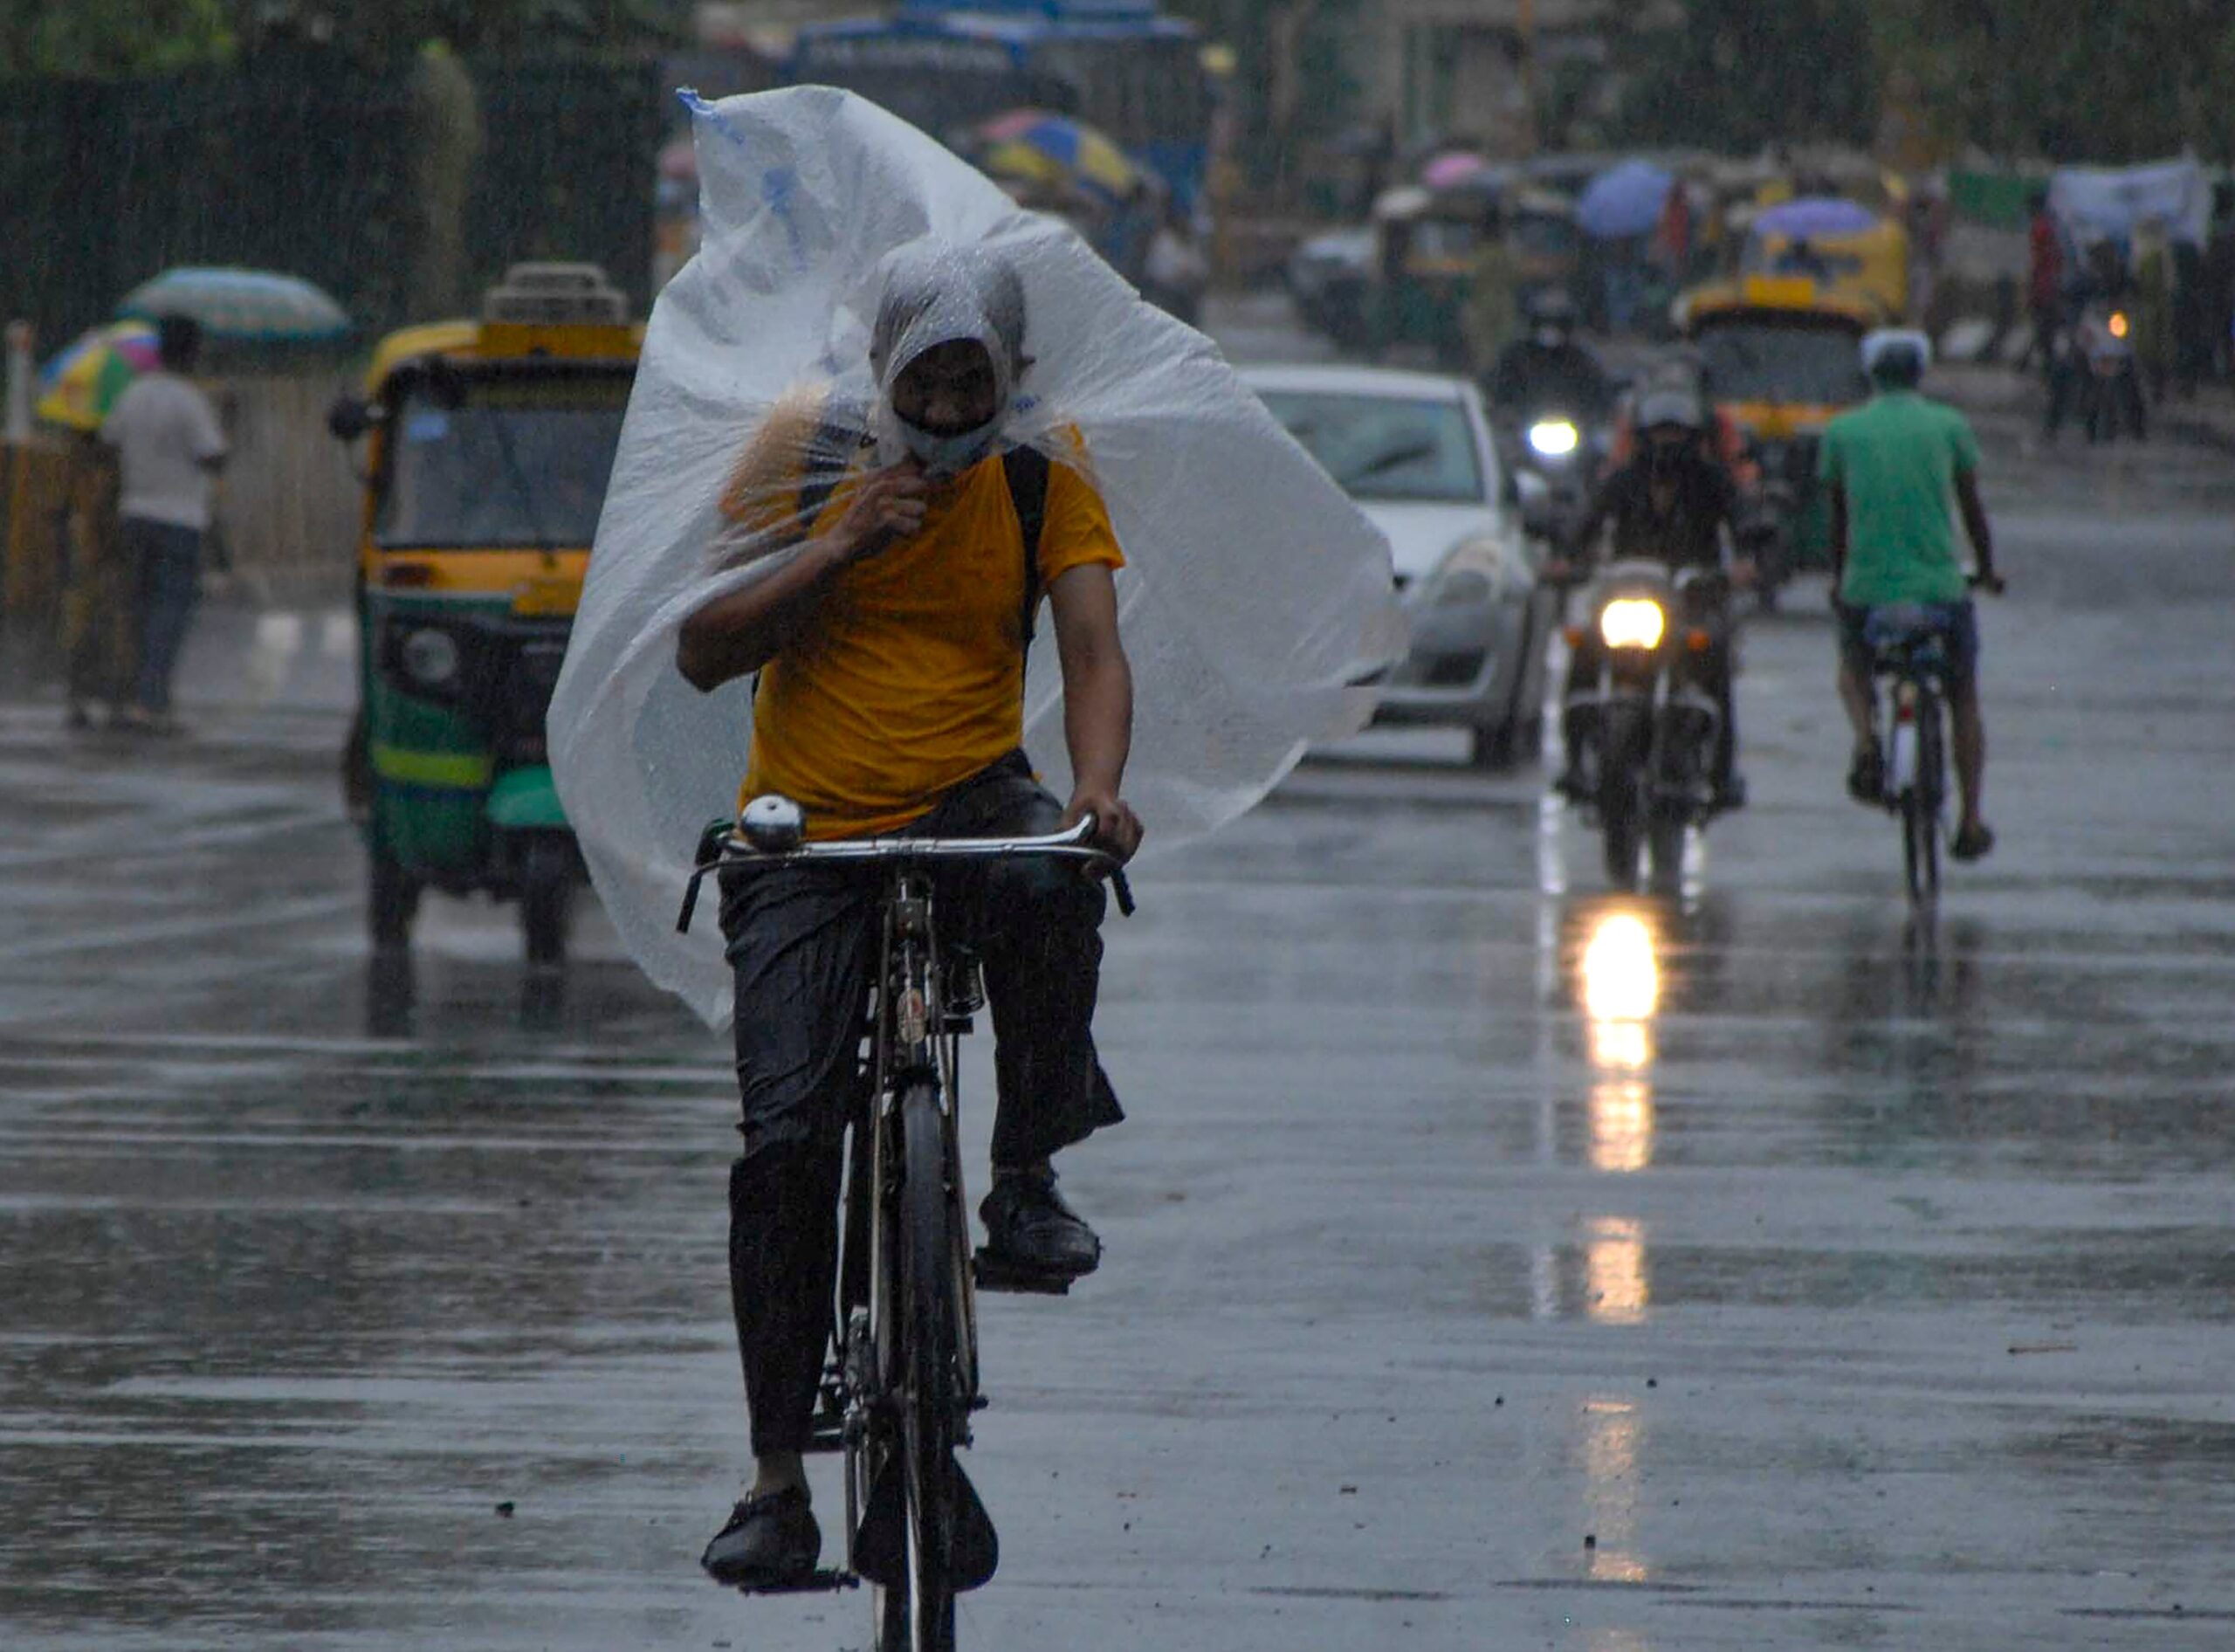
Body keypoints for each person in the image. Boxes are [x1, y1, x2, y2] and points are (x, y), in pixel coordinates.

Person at [672, 244, 1143, 1588]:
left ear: (1009, 378)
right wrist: (836, 543)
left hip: (971, 794)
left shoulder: (1046, 467)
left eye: (969, 380)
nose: (945, 409)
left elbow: (1097, 652)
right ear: (884, 373)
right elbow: (704, 648)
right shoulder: (807, 448)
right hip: (804, 833)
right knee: (787, 1144)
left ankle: (1023, 1179)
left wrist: (1098, 791)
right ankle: (776, 1482)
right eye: (923, 381)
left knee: (1060, 881)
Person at [1819, 329, 2004, 862]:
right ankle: (1969, 819)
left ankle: (1867, 741)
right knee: (1962, 694)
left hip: (1867, 591)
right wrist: (1986, 572)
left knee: (1853, 670)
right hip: (1941, 592)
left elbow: (1838, 521)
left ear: (1871, 375)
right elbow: (1973, 512)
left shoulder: (1843, 431)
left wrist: (1841, 579)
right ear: (1919, 374)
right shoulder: (1949, 426)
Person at [1546, 386, 1752, 809]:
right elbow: (1588, 519)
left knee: (1714, 655)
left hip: (1694, 599)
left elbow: (1746, 519)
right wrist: (1566, 556)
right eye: (1659, 434)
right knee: (1583, 646)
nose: (1667, 445)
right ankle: (1575, 761)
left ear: (1695, 437)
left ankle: (1722, 772)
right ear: (1642, 436)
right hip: (1626, 596)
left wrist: (1747, 560)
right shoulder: (1623, 481)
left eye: (1676, 435)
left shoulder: (1712, 482)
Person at [98, 314, 227, 733]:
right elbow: (213, 456)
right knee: (170, 613)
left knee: (137, 609)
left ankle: (131, 696)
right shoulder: (189, 401)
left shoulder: (133, 394)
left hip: (135, 514)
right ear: (191, 353)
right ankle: (152, 703)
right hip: (180, 519)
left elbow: (107, 439)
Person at [1485, 288, 1614, 423]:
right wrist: (1506, 412)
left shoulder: (1580, 359)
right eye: (1543, 322)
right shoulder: (1515, 357)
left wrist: (1595, 414)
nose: (1550, 330)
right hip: (1524, 429)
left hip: (1574, 427)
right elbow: (1497, 388)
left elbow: (1598, 392)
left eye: (1558, 323)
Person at [2018, 190, 2062, 375]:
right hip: (2052, 287)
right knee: (2046, 330)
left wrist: (2032, 289)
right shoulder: (2054, 226)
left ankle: (2043, 367)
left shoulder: (2040, 228)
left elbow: (2038, 262)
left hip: (2044, 288)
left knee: (2044, 330)